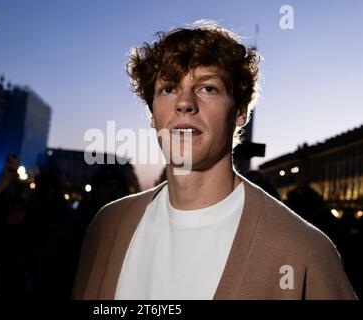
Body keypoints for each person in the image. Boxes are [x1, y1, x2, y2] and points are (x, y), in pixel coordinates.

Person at [72, 20, 357, 300]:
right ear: (152, 113)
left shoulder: (303, 251)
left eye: (207, 88)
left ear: (240, 113)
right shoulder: (108, 225)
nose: (184, 103)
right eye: (168, 89)